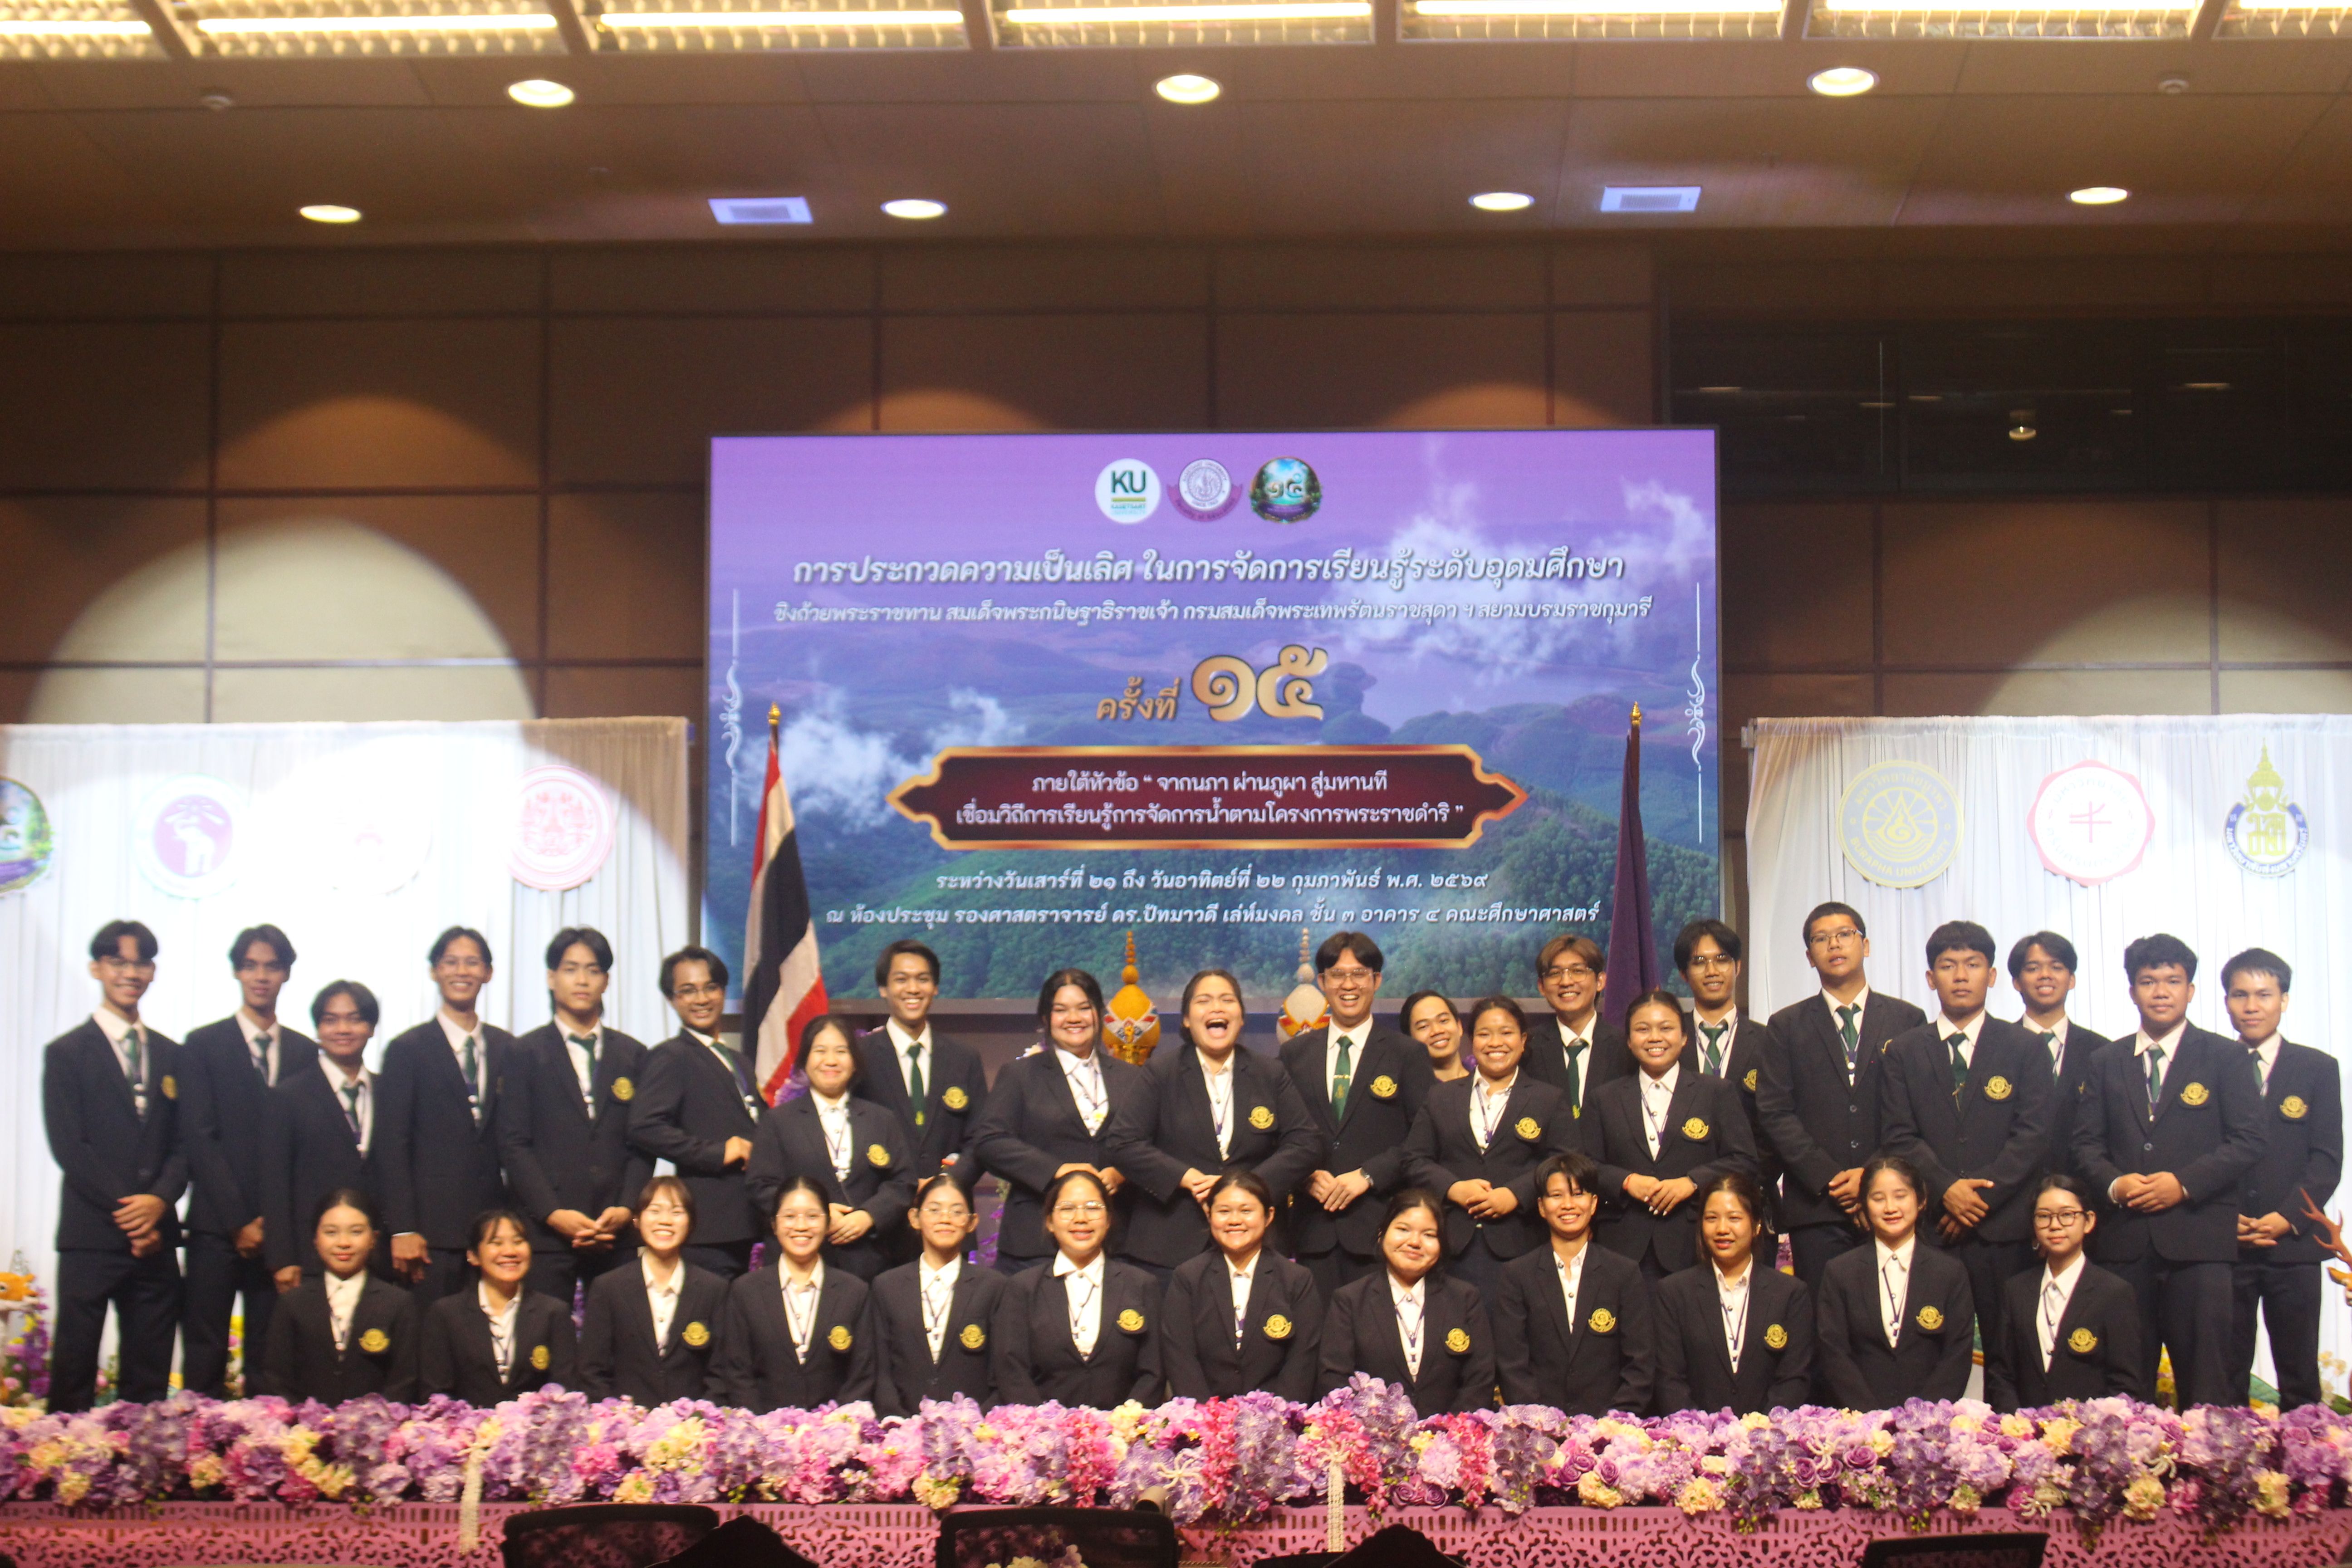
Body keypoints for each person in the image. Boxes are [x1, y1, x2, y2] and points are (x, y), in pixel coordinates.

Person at [2073, 933, 2265, 1409]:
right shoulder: (2105, 1061)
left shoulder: (2226, 1057)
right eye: (2148, 981)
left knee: (2207, 1389)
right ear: (2132, 991)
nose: (2161, 992)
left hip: (2200, 1246)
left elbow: (2248, 1140)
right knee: (2124, 1389)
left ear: (2191, 990)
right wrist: (2115, 1185)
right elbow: (2085, 1144)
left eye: (2173, 981)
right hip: (2124, 1245)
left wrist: (2183, 1185)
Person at [1878, 920, 2053, 1355]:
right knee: (1928, 1351)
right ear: (1930, 977)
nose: (1960, 976)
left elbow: (2032, 1137)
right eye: (1948, 965)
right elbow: (1899, 1135)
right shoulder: (1904, 1050)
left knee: (2010, 1352)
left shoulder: (2026, 1047)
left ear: (1991, 976)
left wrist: (1975, 1201)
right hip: (1933, 1228)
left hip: (2004, 1229)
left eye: (1973, 965)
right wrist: (1947, 1191)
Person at [41, 920, 186, 1412]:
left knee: (150, 1376)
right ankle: (63, 1455)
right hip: (92, 1233)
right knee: (75, 1366)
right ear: (96, 968)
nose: (131, 973)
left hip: (157, 1237)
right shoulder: (66, 1054)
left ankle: (142, 1456)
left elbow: (186, 1145)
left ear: (153, 972)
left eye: (141, 963)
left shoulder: (173, 1055)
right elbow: (70, 1148)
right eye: (118, 962)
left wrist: (158, 1202)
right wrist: (131, 1213)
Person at [1755, 902, 1927, 1287]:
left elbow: (1915, 1109)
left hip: (1891, 1199)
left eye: (1845, 935)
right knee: (1823, 1315)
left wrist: (1871, 1175)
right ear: (1809, 956)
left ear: (1865, 945)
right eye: (1821, 939)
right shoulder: (1785, 1026)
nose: (1834, 945)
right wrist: (1830, 1177)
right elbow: (1775, 1113)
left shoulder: (1907, 1019)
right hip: (1817, 1205)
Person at [178, 923, 317, 1398]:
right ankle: (198, 1441)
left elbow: (305, 1150)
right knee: (204, 1349)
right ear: (237, 972)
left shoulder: (306, 1052)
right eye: (252, 966)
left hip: (280, 1235)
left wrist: (274, 1223)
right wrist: (240, 1220)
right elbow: (200, 1139)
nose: (262, 977)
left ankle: (264, 1444)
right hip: (216, 1228)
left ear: (286, 974)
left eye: (272, 967)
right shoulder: (202, 1045)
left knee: (270, 1355)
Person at [1108, 969, 1321, 1276]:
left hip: (1255, 1243)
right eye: (1204, 1001)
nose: (1217, 1008)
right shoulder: (1160, 1073)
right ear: (1186, 1019)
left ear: (1241, 1017)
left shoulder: (1270, 1073)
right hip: (1170, 1244)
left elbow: (1306, 1143)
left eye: (1227, 1000)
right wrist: (1186, 1177)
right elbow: (1123, 1144)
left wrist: (1247, 1186)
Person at [499, 927, 651, 1308]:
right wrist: (553, 1213)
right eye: (571, 969)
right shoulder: (523, 1053)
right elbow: (514, 1144)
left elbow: (643, 1141)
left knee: (620, 1334)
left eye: (593, 970)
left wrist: (626, 1206)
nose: (582, 980)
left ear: (606, 981)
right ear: (552, 978)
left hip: (614, 1230)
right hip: (546, 1233)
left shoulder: (634, 1055)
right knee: (543, 1334)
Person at [1279, 933, 1436, 1298]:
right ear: (1322, 982)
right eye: (1337, 975)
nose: (1348, 985)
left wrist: (1369, 1176)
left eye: (1359, 974)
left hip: (1381, 1227)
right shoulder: (1294, 1055)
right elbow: (1280, 1135)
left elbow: (1424, 1137)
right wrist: (1303, 1175)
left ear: (1376, 980)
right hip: (1312, 1230)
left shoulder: (1407, 1054)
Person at [1402, 995, 1581, 1304]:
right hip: (1451, 1245)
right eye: (1485, 1034)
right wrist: (1454, 1188)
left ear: (1523, 1041)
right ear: (1471, 1041)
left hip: (1522, 1243)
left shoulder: (1548, 1099)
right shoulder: (1441, 1097)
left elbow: (1564, 1161)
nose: (1495, 1043)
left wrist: (1515, 1194)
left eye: (1507, 1033)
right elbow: (1413, 1160)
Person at [2223, 948, 2339, 1411]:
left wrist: (2286, 1218)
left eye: (2264, 995)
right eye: (2240, 995)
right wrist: (2225, 1218)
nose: (2252, 1006)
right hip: (2226, 1245)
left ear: (2284, 1000)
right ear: (2226, 1001)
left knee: (2299, 1375)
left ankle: (2307, 1453)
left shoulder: (2317, 1068)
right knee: (2224, 1374)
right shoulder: (2209, 1063)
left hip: (2293, 1246)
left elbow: (2326, 1160)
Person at [970, 970, 1144, 1274]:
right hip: (1035, 1241)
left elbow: (1151, 1142)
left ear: (1100, 1014)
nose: (1074, 1018)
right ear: (1045, 1019)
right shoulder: (1020, 1075)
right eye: (1061, 1010)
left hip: (1116, 1240)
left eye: (1084, 1008)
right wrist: (1058, 1171)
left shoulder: (1131, 1077)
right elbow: (990, 1142)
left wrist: (1121, 1174)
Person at [377, 927, 517, 1302]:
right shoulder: (407, 1050)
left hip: (494, 1229)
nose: (462, 971)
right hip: (430, 1233)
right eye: (451, 962)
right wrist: (403, 1228)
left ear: (488, 972)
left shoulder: (509, 1048)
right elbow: (392, 1144)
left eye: (472, 963)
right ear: (434, 971)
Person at [1589, 989, 1757, 1281]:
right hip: (1623, 1244)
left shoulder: (1716, 1093)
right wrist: (1627, 1182)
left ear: (1684, 1037)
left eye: (1666, 1028)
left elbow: (1744, 1160)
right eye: (1643, 1029)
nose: (1655, 1038)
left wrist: (1692, 1182)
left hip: (1693, 1242)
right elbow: (1586, 1165)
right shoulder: (1604, 1098)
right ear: (1629, 1041)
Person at [745, 1014, 916, 1281]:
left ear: (855, 1062)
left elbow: (903, 1182)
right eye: (820, 1051)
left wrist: (870, 1216)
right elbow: (761, 1186)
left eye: (841, 1052)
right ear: (805, 1060)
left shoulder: (882, 1120)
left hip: (871, 1262)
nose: (831, 1061)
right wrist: (816, 1215)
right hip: (800, 1260)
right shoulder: (778, 1121)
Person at [629, 947, 763, 1279]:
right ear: (671, 999)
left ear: (723, 991)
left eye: (710, 988)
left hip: (751, 1218)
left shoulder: (738, 1059)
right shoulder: (669, 1056)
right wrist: (718, 1153)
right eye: (688, 991)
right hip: (709, 1225)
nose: (701, 999)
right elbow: (644, 1127)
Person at [1494, 1152, 1653, 1416]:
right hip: (1537, 1429)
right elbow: (1512, 1365)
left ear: (1594, 1203)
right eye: (1557, 1196)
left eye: (1578, 1195)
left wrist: (1612, 1424)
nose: (1568, 1205)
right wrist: (1540, 1422)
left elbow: (1640, 1364)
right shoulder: (1516, 1276)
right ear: (1542, 1206)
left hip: (1610, 1430)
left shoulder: (1624, 1273)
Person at [855, 941, 989, 1252]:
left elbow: (982, 1138)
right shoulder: (860, 1057)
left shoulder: (963, 1058)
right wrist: (899, 1192)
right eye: (901, 980)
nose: (913, 989)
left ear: (936, 987)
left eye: (923, 979)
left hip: (949, 1221)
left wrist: (946, 1185)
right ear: (883, 989)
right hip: (881, 1225)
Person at [990, 1168, 1163, 1408]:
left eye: (1093, 1208)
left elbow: (1153, 1372)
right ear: (1050, 1221)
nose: (1081, 1218)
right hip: (1041, 1428)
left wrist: (1125, 1422)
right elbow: (1012, 1370)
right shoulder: (1022, 1288)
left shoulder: (1141, 1284)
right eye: (1067, 1208)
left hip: (1122, 1428)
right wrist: (1041, 1424)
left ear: (1109, 1219)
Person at [1813, 1155, 1974, 1410]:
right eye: (1878, 1199)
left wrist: (1923, 1416)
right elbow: (1834, 1352)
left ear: (1921, 1200)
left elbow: (1957, 1354)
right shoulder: (1840, 1272)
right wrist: (1870, 1417)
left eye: (1901, 1196)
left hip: (1931, 1421)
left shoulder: (1949, 1273)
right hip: (1859, 1421)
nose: (1890, 1208)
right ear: (1864, 1205)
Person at [1316, 1188, 1494, 1416]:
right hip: (1370, 1435)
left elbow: (1480, 1379)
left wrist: (1449, 1430)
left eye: (1429, 1235)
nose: (1415, 1242)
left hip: (1450, 1434)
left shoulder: (1465, 1298)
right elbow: (1334, 1380)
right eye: (1403, 1230)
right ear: (1382, 1234)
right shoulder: (1349, 1300)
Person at [1653, 1173, 1813, 1416]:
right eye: (1711, 1218)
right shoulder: (1674, 1292)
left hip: (1769, 1434)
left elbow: (1794, 1379)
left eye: (1734, 1218)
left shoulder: (1790, 1293)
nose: (1722, 1229)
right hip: (1694, 1435)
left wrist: (1762, 1429)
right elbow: (1669, 1380)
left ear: (1757, 1225)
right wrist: (1698, 1430)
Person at [711, 1176, 875, 1411]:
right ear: (774, 1224)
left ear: (828, 1223)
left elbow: (862, 1374)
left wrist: (837, 1425)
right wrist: (759, 1426)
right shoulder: (745, 1291)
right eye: (790, 1217)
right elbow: (738, 1373)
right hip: (763, 1428)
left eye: (812, 1216)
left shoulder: (854, 1291)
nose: (801, 1226)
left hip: (835, 1429)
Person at [1160, 1170, 1323, 1401]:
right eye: (1224, 1211)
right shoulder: (1188, 1277)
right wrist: (1205, 1415)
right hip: (1204, 1415)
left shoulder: (1296, 1279)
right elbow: (1180, 1356)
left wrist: (1278, 1414)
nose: (1235, 1221)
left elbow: (1302, 1359)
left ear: (1269, 1216)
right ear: (1209, 1215)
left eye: (1246, 1211)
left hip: (1276, 1415)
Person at [1985, 1174, 2144, 1410]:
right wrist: (2016, 1422)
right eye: (2044, 1216)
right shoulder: (2015, 1290)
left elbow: (2125, 1384)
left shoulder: (2114, 1293)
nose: (2055, 1225)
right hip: (2022, 1428)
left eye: (2067, 1215)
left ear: (2089, 1221)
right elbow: (2001, 1373)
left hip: (2089, 1428)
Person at [264, 982, 383, 1289]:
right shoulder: (288, 1096)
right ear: (318, 1030)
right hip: (310, 1257)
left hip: (380, 1258)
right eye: (331, 1021)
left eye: (354, 1019)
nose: (343, 1029)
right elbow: (275, 1182)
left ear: (371, 1028)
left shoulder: (390, 1091)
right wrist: (283, 1258)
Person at [1676, 919, 1778, 1264]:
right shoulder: (1665, 1042)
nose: (1712, 971)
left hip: (1750, 1203)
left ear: (1738, 967)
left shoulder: (1771, 1041)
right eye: (1699, 962)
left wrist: (1741, 1183)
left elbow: (1779, 1124)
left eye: (1721, 959)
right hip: (1679, 1206)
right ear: (1684, 974)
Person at [256, 1188, 418, 1404]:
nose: (344, 1243)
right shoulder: (293, 1303)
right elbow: (277, 1377)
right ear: (315, 1239)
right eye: (331, 1233)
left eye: (356, 1232)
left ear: (374, 1239)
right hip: (304, 1423)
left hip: (378, 1422)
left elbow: (405, 1379)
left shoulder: (397, 1303)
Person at [578, 1175, 728, 1406]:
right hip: (625, 1423)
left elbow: (721, 1373)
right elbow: (591, 1371)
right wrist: (617, 1418)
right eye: (655, 1211)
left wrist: (699, 1419)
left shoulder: (713, 1289)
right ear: (637, 1220)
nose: (665, 1221)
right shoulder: (608, 1288)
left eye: (677, 1212)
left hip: (693, 1424)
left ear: (691, 1223)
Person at [864, 1175, 1005, 1416]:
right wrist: (899, 1423)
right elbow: (881, 1370)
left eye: (957, 1212)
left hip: (977, 1429)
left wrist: (978, 1425)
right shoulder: (886, 1286)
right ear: (915, 1218)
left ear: (972, 1222)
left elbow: (1003, 1372)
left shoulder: (994, 1286)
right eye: (935, 1210)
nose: (945, 1219)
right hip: (902, 1427)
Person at [418, 1208, 578, 1404]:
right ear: (473, 1256)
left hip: (536, 1423)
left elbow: (565, 1387)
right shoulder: (446, 1314)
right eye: (497, 1243)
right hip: (466, 1422)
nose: (510, 1252)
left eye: (518, 1242)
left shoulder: (554, 1312)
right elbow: (435, 1393)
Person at [2008, 931, 2113, 1180]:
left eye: (2056, 967)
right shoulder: (1996, 1047)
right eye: (2033, 968)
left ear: (2071, 979)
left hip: (2082, 1188)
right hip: (2013, 1189)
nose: (2045, 975)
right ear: (2017, 982)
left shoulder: (2102, 1052)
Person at [1520, 935, 1629, 1116]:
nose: (1566, 982)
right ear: (1541, 986)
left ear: (1600, 981)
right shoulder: (1527, 1049)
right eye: (1555, 974)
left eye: (1578, 971)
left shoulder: (1625, 1048)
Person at [1401, 991, 1470, 1083]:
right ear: (1408, 1039)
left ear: (1459, 1027)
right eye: (1424, 1026)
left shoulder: (1483, 1078)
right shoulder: (1406, 1088)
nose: (1437, 1031)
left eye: (1443, 1021)